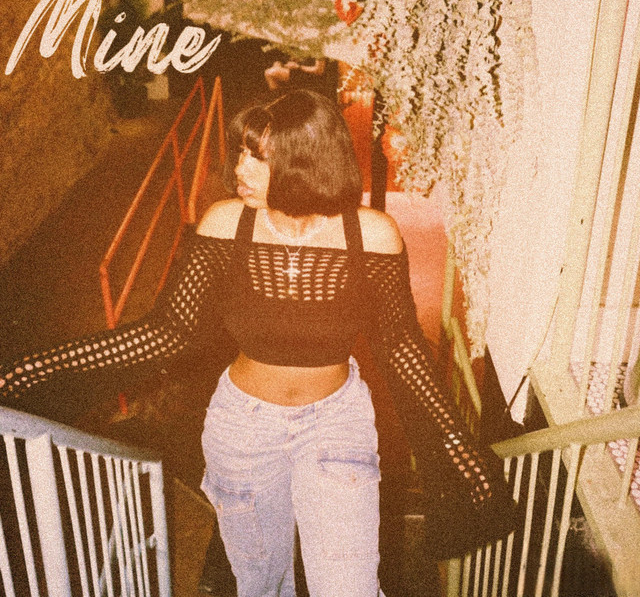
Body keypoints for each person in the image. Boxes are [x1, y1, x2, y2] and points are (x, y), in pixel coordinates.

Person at [1, 89, 513, 596]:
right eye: (241, 152)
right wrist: (29, 373)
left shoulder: (372, 235)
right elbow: (164, 332)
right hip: (242, 429)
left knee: (349, 586)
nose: (239, 170)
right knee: (261, 583)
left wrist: (457, 446)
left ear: (307, 162)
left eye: (259, 158)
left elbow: (401, 347)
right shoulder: (226, 224)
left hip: (337, 424)